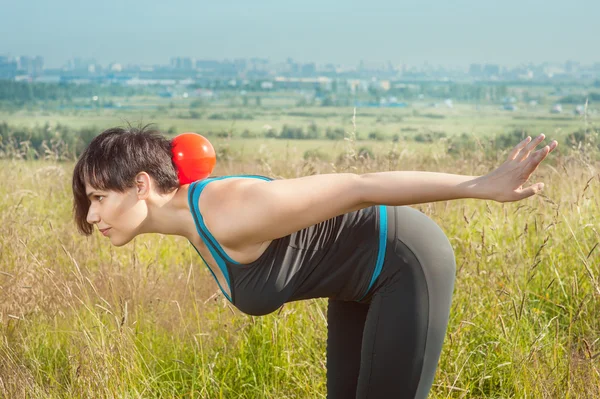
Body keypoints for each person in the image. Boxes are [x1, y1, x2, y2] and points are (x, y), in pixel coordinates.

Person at [72, 125, 558, 398]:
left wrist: (477, 187)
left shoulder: (229, 210)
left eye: (97, 197)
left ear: (139, 185)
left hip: (405, 262)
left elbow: (356, 186)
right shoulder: (191, 223)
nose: (92, 215)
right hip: (359, 282)